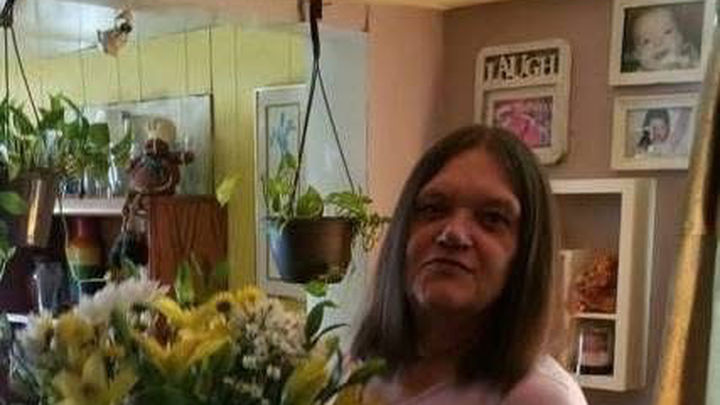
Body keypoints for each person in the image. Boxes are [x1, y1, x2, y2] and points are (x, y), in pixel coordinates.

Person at [351, 125, 587, 404]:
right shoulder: (353, 371)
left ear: (526, 253)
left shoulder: (541, 397)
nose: (453, 233)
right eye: (433, 208)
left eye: (492, 218)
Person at [630, 6, 699, 72]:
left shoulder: (693, 62)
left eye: (666, 32)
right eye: (646, 41)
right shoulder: (637, 77)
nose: (658, 42)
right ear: (637, 55)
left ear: (680, 36)